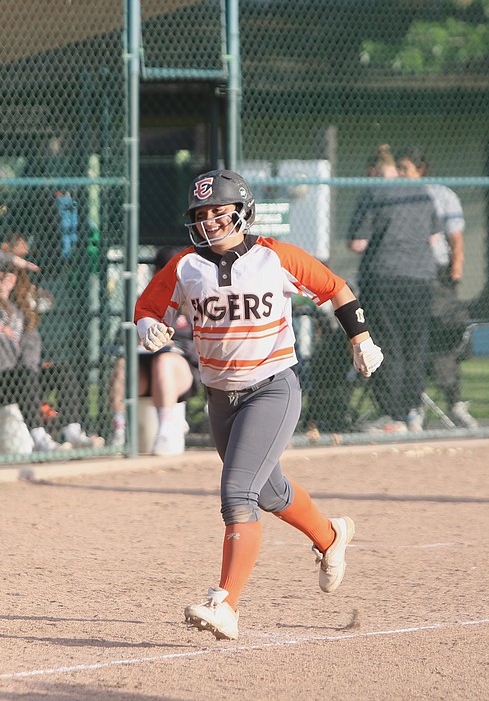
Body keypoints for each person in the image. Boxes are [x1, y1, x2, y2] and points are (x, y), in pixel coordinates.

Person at [134, 168, 384, 640]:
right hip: (220, 397)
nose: (209, 221)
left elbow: (335, 288)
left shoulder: (274, 256)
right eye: (201, 214)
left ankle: (225, 603)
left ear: (242, 211)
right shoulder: (185, 266)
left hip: (271, 387)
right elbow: (147, 307)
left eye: (218, 211)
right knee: (268, 493)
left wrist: (361, 339)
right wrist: (147, 327)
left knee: (237, 495)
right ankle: (331, 536)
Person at [347, 144, 442, 433]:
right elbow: (435, 239)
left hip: (384, 278)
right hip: (421, 279)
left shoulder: (374, 194)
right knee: (415, 345)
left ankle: (393, 414)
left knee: (388, 344)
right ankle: (413, 410)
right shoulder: (422, 193)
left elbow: (357, 244)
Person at [397, 146, 478, 429]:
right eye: (398, 168)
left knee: (445, 337)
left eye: (405, 168)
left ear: (421, 169)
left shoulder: (441, 195)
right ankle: (413, 406)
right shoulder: (391, 196)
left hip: (437, 276)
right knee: (414, 341)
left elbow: (456, 239)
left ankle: (454, 401)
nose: (400, 174)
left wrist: (455, 272)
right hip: (405, 277)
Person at [0, 235, 60, 452]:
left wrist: (34, 373)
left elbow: (31, 351)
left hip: (17, 381)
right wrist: (15, 260)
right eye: (1, 270)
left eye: (11, 272)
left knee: (60, 371)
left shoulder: (21, 311)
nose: (6, 276)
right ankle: (39, 436)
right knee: (24, 375)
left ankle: (72, 430)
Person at [108, 245, 200, 453]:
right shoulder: (147, 301)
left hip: (180, 371)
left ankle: (165, 431)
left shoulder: (193, 301)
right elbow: (120, 340)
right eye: (162, 269)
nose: (167, 275)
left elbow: (202, 347)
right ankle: (120, 429)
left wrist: (173, 345)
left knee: (163, 361)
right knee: (124, 364)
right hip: (144, 368)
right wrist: (140, 341)